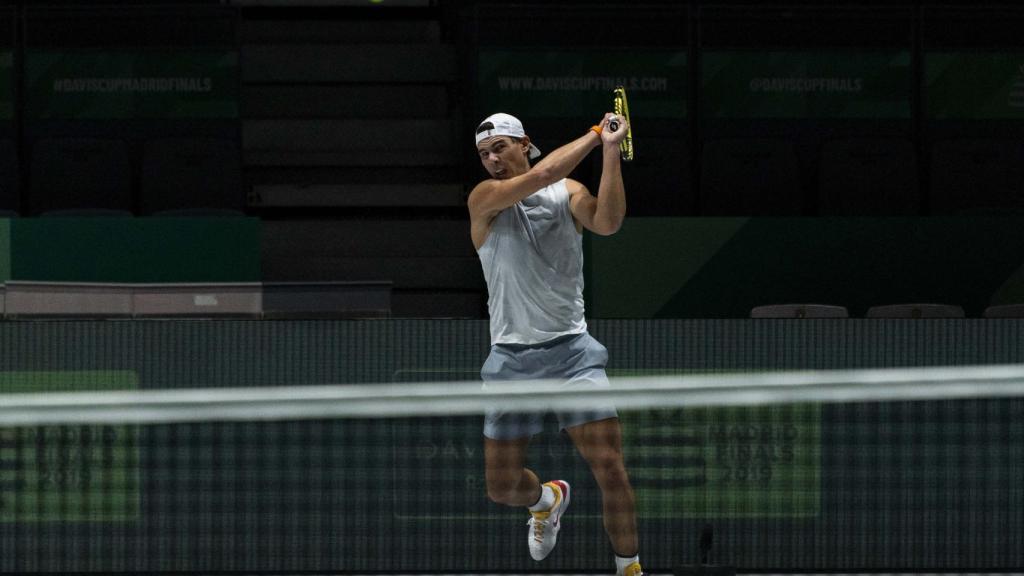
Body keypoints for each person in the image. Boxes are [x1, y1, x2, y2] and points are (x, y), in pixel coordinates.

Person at [468, 111, 641, 576]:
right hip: (510, 359)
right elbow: (545, 171)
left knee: (610, 468)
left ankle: (630, 569)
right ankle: (548, 498)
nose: (491, 160)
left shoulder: (569, 194)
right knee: (502, 488)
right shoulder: (485, 198)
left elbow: (607, 223)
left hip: (573, 355)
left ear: (524, 142)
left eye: (499, 148)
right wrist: (593, 132)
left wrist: (610, 152)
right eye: (484, 154)